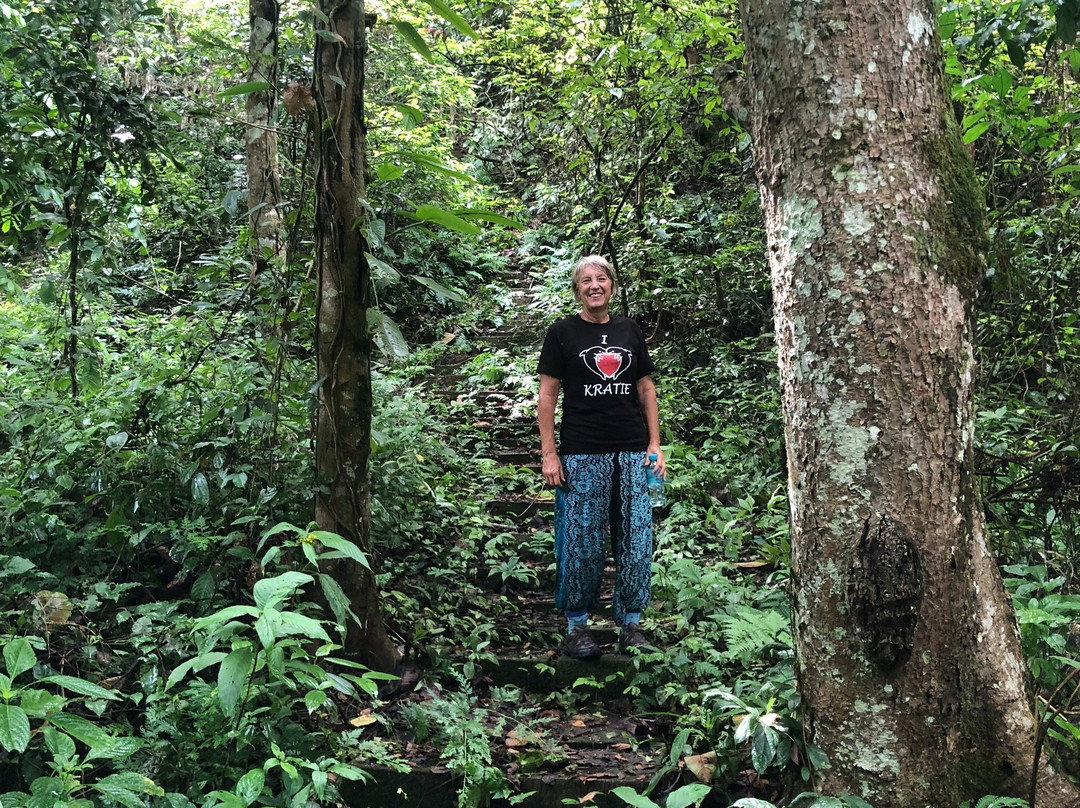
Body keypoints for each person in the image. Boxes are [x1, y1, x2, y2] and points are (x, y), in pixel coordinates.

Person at [536, 254, 666, 659]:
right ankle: (577, 628)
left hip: (631, 451)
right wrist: (549, 453)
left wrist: (655, 443)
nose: (595, 285)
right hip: (581, 453)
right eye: (586, 280)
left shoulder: (629, 330)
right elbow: (547, 396)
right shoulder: (562, 333)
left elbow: (645, 388)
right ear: (578, 288)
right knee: (579, 542)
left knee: (635, 539)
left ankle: (630, 623)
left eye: (602, 278)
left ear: (612, 285)